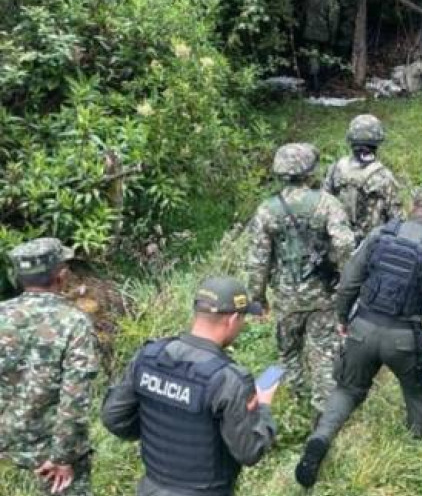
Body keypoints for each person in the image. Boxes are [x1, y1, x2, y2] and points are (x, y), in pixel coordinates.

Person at [295, 185, 422, 488]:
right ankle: (415, 455)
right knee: (417, 392)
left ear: (413, 206)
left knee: (347, 390)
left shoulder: (380, 235)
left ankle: (320, 438)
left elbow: (348, 283)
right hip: (404, 338)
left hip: (362, 329)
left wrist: (344, 319)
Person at [102, 276, 278, 496]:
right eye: (243, 319)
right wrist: (262, 408)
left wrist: (161, 433)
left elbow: (114, 419)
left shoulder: (148, 357)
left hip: (151, 488)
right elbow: (250, 451)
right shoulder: (229, 379)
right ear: (232, 319)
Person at [246, 142, 355, 413]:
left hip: (286, 296)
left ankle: (295, 400)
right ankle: (324, 410)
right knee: (324, 353)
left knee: (288, 351)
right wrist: (343, 279)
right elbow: (344, 244)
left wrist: (258, 299)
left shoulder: (267, 210)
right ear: (310, 171)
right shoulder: (327, 204)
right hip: (322, 295)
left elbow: (257, 261)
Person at [0, 238, 99, 496]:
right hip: (48, 461)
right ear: (61, 275)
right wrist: (62, 457)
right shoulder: (74, 323)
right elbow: (75, 397)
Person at [323, 114, 410, 241]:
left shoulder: (335, 168)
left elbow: (325, 202)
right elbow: (397, 219)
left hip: (338, 239)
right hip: (370, 243)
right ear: (378, 140)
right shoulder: (383, 176)